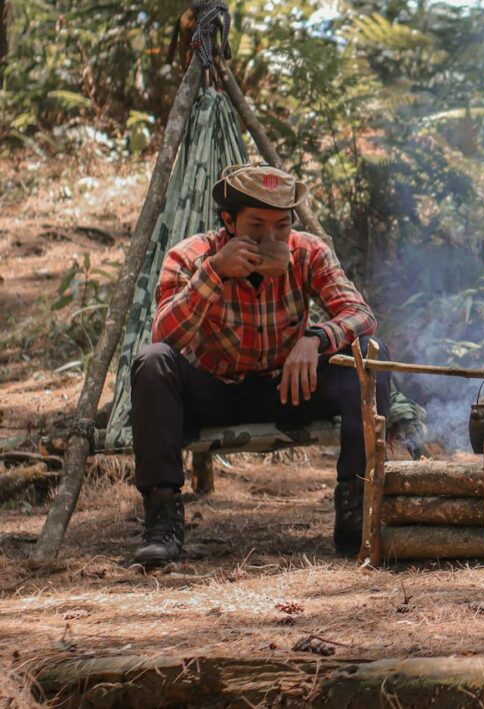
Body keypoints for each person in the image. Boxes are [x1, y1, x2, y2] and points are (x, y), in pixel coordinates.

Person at [130, 160, 386, 565]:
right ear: (228, 222)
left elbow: (360, 314)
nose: (271, 239)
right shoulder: (191, 256)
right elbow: (164, 335)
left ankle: (356, 507)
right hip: (213, 391)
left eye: (281, 226)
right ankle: (162, 519)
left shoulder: (307, 252)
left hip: (287, 387)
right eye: (255, 227)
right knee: (152, 362)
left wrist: (315, 338)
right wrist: (214, 273)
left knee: (372, 355)